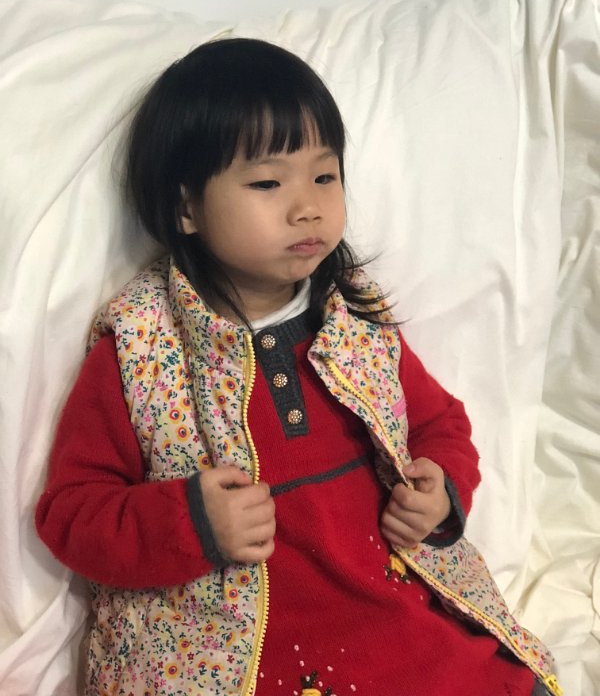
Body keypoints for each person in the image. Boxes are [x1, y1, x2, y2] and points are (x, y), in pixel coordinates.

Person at [36, 38, 561, 696]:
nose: (308, 206)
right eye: (267, 182)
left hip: (392, 613)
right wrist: (188, 522)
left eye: (324, 176)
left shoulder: (356, 318)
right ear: (186, 207)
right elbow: (73, 512)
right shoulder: (140, 348)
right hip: (236, 650)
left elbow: (439, 423)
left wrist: (441, 489)